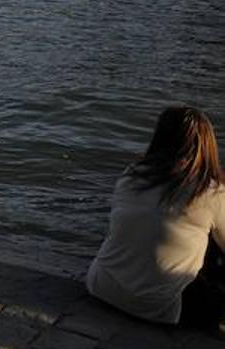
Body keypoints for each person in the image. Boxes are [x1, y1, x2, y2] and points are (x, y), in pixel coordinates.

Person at [86, 107, 225, 328]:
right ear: (206, 146)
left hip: (101, 286)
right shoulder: (210, 192)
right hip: (158, 307)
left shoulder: (131, 174)